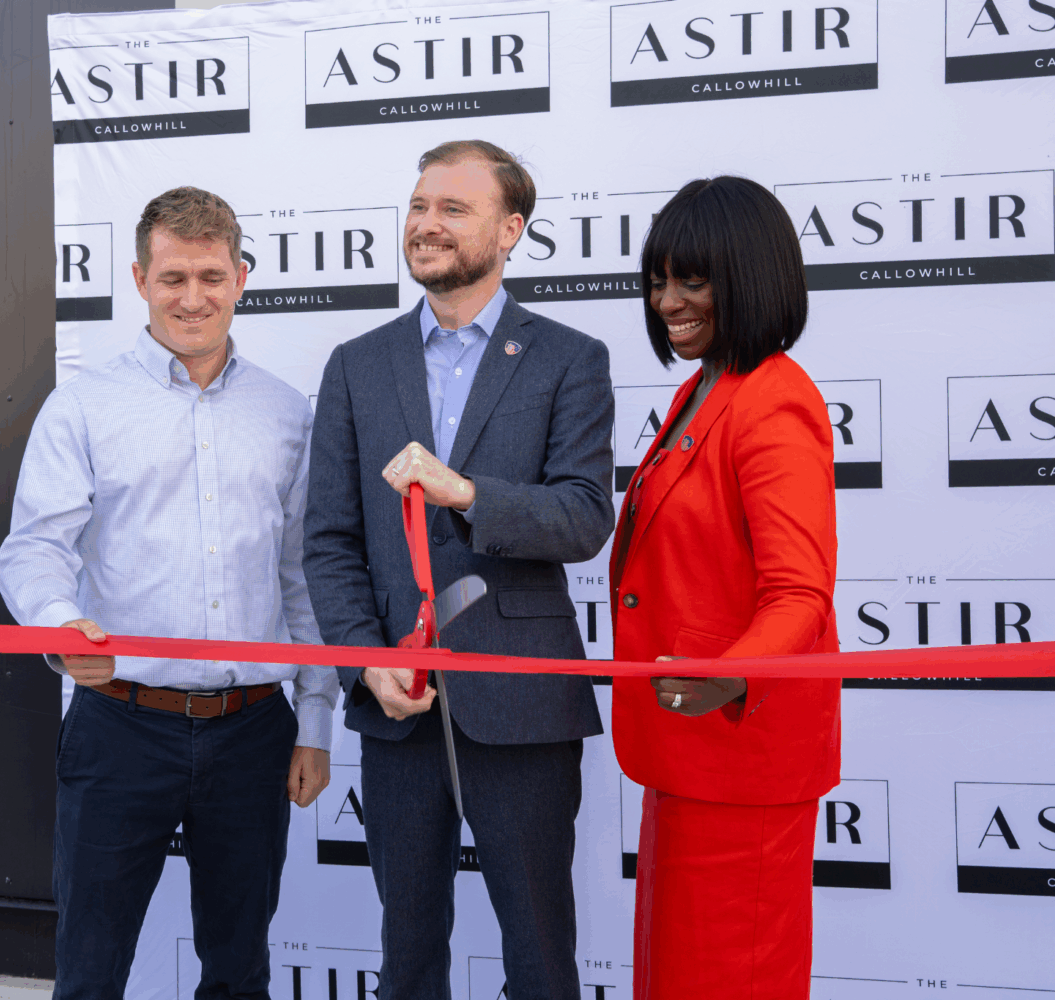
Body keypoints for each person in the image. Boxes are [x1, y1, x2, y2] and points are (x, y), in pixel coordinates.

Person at [0, 186, 339, 1000]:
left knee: (239, 970)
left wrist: (316, 720)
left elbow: (303, 575)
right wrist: (62, 624)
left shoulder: (287, 413)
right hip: (119, 726)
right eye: (173, 277)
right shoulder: (83, 406)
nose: (193, 297)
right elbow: (34, 549)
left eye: (212, 277)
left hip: (254, 730)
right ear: (139, 280)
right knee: (90, 970)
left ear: (241, 278)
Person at [303, 140, 614, 1000]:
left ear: (510, 229)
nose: (426, 224)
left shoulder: (570, 357)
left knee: (540, 956)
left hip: (522, 702)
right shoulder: (356, 364)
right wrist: (368, 661)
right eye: (418, 205)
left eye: (453, 208)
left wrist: (468, 493)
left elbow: (585, 515)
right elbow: (329, 539)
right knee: (406, 958)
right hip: (396, 707)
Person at [609, 176, 842, 1000]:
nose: (667, 302)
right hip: (686, 751)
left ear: (750, 277)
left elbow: (800, 592)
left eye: (692, 281)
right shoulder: (701, 389)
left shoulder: (774, 400)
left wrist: (730, 674)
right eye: (659, 280)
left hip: (741, 764)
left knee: (727, 981)